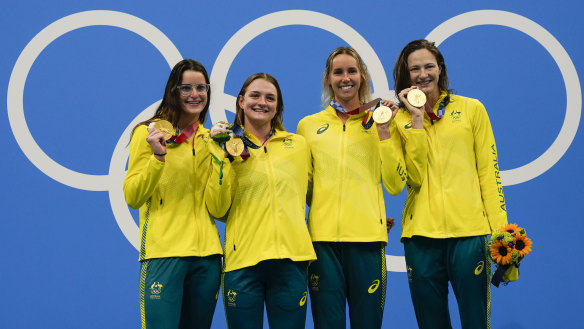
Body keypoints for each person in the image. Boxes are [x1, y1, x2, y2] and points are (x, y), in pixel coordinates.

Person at [296, 46, 426, 329]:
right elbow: (304, 188)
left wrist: (383, 133)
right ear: (328, 79)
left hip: (367, 241)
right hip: (322, 243)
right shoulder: (308, 126)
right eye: (338, 72)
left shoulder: (381, 121)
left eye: (352, 71)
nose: (346, 78)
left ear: (363, 76)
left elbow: (395, 185)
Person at [392, 39, 509, 329]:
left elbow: (489, 174)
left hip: (468, 235)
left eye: (429, 66)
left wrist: (502, 234)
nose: (423, 74)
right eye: (414, 69)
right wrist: (416, 121)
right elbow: (409, 178)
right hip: (420, 238)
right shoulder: (397, 121)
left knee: (476, 322)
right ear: (405, 77)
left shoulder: (472, 110)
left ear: (440, 69)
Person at [124, 59, 229, 329]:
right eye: (186, 88)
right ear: (173, 90)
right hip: (164, 253)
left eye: (201, 88)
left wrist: (222, 158)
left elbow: (218, 208)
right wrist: (158, 157)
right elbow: (133, 196)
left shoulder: (209, 139)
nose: (195, 95)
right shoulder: (149, 133)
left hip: (207, 257)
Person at [207, 73, 317, 329]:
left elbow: (318, 192)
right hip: (243, 263)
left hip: (291, 261)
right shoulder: (225, 144)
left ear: (278, 106)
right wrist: (223, 158)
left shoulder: (298, 145)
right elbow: (217, 207)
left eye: (270, 98)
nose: (262, 102)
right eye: (255, 95)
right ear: (241, 101)